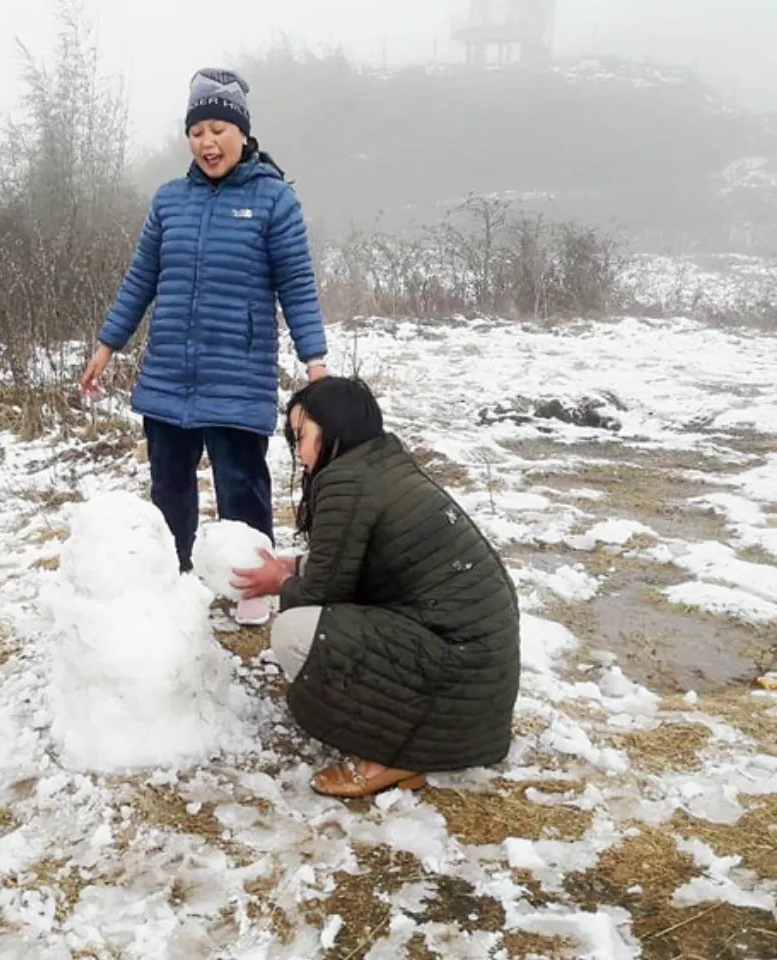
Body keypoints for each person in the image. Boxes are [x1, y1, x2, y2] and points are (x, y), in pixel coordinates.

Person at [80, 67, 329, 626]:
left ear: (242, 133)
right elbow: (140, 278)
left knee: (242, 490)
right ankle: (174, 579)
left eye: (218, 128)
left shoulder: (273, 202)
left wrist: (315, 363)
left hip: (237, 376)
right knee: (169, 487)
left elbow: (298, 287)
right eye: (197, 131)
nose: (207, 142)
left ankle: (252, 587)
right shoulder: (170, 201)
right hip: (169, 374)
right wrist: (106, 345)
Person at [231, 377, 521, 799]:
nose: (297, 451)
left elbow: (323, 593)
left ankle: (393, 755)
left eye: (301, 436)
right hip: (478, 676)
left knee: (294, 631)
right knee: (312, 623)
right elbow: (363, 560)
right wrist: (295, 566)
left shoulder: (346, 481)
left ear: (334, 428)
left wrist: (282, 584)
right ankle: (405, 730)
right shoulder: (378, 465)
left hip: (459, 669)